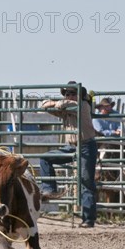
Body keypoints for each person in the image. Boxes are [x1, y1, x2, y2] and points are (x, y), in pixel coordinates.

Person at [39, 81, 98, 228]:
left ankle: (88, 219)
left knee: (86, 181)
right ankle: (49, 189)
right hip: (72, 146)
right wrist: (56, 103)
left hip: (86, 145)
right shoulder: (69, 106)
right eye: (67, 93)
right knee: (45, 158)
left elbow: (58, 106)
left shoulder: (83, 105)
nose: (69, 96)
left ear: (80, 95)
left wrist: (57, 103)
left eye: (72, 93)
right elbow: (44, 105)